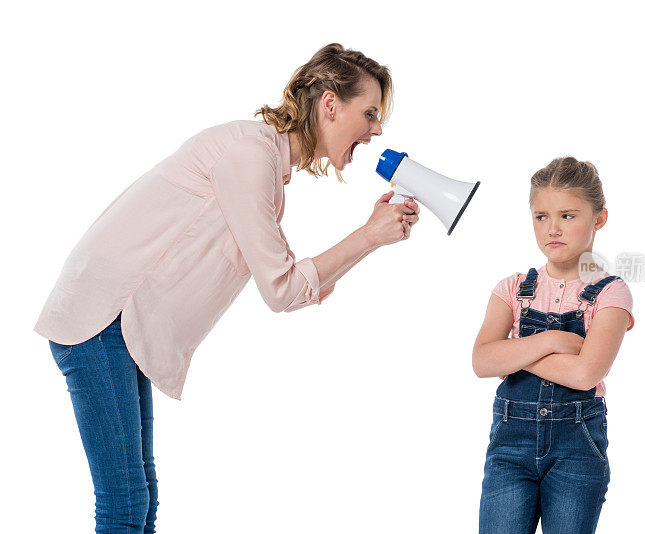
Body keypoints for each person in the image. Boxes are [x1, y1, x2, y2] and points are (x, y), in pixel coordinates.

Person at [33, 43, 420, 533]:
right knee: (126, 500)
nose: (377, 129)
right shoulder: (248, 154)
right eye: (368, 113)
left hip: (120, 327)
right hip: (103, 318)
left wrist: (371, 238)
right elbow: (282, 289)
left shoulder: (264, 167)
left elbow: (291, 284)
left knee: (140, 497)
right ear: (329, 104)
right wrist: (369, 235)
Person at [472, 157, 634, 533]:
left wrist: (513, 352)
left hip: (576, 452)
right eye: (541, 216)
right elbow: (481, 361)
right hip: (510, 451)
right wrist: (554, 340)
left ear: (599, 218)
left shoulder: (611, 293)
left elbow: (585, 373)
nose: (553, 228)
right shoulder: (511, 288)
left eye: (568, 215)